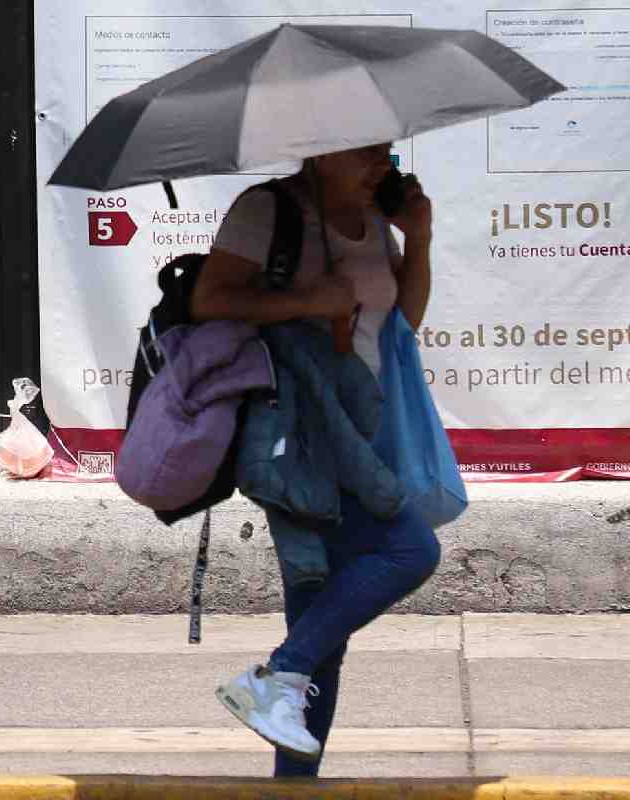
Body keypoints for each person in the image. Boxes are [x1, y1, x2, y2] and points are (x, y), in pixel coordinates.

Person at [189, 143, 441, 775]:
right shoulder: (268, 211)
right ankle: (279, 674)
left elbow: (400, 322)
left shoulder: (371, 220)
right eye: (370, 153)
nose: (384, 164)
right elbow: (210, 300)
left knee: (321, 624)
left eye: (388, 152)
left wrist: (421, 240)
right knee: (410, 550)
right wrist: (305, 303)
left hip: (360, 429)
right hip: (299, 435)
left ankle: (293, 768)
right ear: (325, 151)